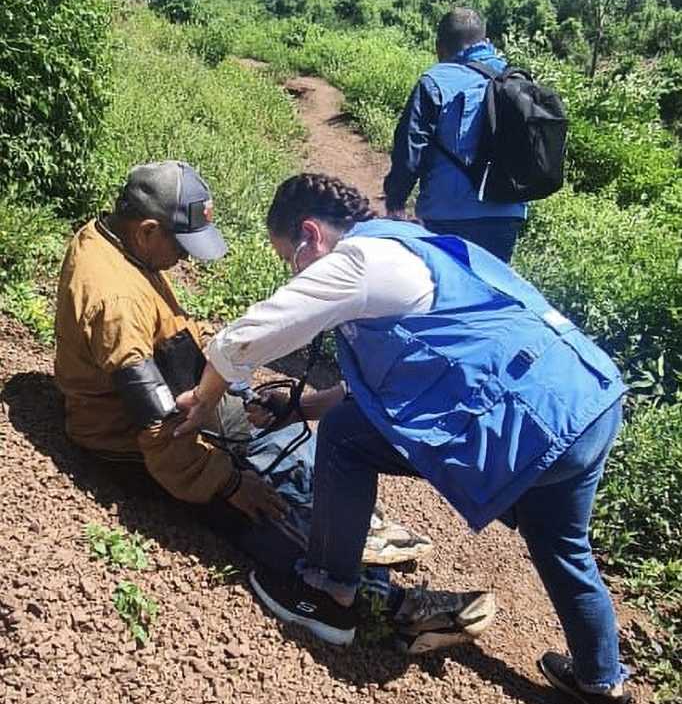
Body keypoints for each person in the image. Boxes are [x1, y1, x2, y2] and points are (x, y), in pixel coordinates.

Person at [176, 172, 632, 703]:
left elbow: (250, 335)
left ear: (310, 235)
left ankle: (327, 593)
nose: (293, 274)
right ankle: (602, 681)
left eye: (289, 260)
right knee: (562, 545)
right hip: (587, 401)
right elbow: (405, 377)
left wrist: (205, 398)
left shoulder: (358, 261)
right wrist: (303, 405)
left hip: (532, 423)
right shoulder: (409, 243)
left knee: (345, 438)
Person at [54, 161, 492, 649]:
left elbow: (170, 330)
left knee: (278, 426)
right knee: (260, 512)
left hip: (180, 394)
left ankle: (349, 528)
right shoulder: (114, 300)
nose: (185, 259)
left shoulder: (125, 245)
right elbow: (158, 432)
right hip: (129, 439)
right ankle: (389, 605)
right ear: (150, 230)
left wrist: (228, 390)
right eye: (181, 247)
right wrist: (228, 481)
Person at [383, 7, 527, 262]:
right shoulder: (516, 80)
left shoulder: (434, 81)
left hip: (446, 215)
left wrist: (395, 201)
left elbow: (410, 150)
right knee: (491, 293)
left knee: (447, 293)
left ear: (439, 48)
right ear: (487, 42)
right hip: (507, 216)